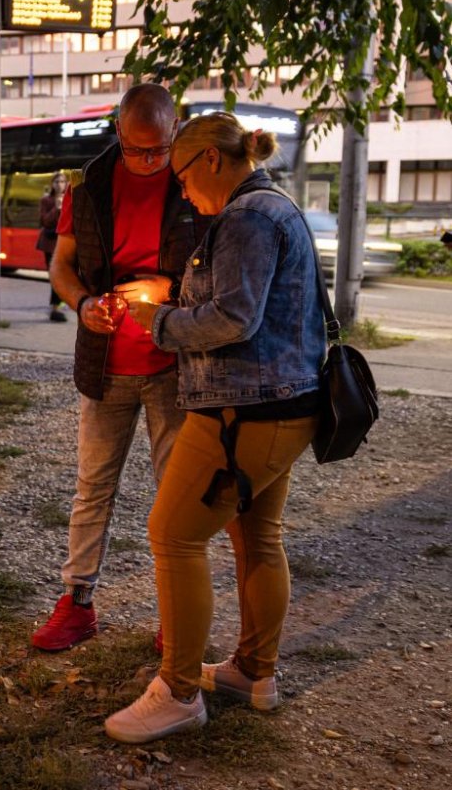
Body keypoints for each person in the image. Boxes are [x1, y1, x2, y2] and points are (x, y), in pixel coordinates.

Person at [103, 113, 323, 744]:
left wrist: (157, 321)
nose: (182, 192)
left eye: (182, 177)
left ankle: (177, 693)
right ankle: (253, 672)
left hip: (241, 410)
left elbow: (234, 318)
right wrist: (173, 293)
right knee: (257, 537)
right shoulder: (276, 206)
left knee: (172, 535)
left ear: (210, 160)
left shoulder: (245, 216)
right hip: (283, 406)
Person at [31, 83, 208, 652]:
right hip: (106, 364)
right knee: (92, 488)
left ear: (175, 129)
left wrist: (169, 289)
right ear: (118, 132)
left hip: (175, 365)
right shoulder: (88, 189)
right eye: (135, 150)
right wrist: (84, 304)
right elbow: (60, 266)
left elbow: (222, 274)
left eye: (158, 150)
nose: (148, 161)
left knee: (175, 494)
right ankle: (77, 601)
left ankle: (176, 614)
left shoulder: (195, 182)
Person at [38, 171, 71, 322]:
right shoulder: (46, 200)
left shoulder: (70, 199)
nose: (59, 185)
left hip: (66, 243)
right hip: (50, 244)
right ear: (52, 184)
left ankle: (58, 304)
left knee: (65, 275)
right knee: (55, 275)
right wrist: (56, 208)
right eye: (56, 182)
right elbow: (45, 221)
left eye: (62, 182)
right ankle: (55, 308)